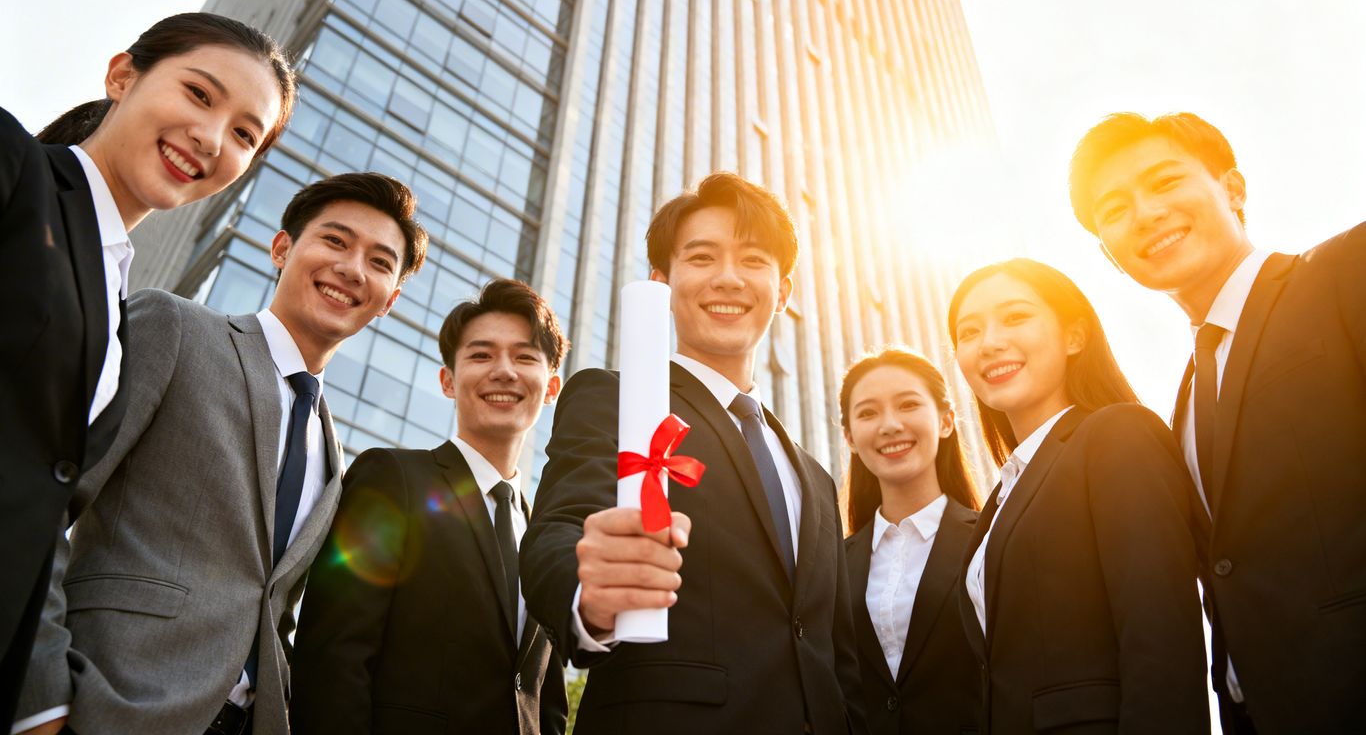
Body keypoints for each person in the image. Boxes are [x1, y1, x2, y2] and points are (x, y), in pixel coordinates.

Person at [13, 173, 427, 735]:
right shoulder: (175, 328)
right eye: (335, 241)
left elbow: (269, 605)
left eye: (380, 263)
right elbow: (37, 501)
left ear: (390, 301)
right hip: (107, 703)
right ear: (282, 247)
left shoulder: (332, 451)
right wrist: (41, 698)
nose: (354, 269)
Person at [0, 11, 297, 729]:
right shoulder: (13, 167)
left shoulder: (121, 306)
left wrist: (39, 707)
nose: (211, 138)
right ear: (122, 75)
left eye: (243, 135)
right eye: (199, 94)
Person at [520, 172, 864, 733]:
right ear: (661, 283)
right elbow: (559, 530)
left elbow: (838, 654)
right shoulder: (614, 398)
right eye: (702, 258)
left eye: (753, 261)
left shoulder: (817, 479)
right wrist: (592, 592)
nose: (728, 279)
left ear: (783, 291)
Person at [1068, 112, 1366, 733]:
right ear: (1110, 257)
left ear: (1233, 190)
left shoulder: (1344, 273)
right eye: (1115, 210)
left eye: (1165, 182)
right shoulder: (1181, 400)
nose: (1146, 214)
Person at [290, 278, 569, 735]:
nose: (504, 371)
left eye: (524, 356)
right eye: (481, 355)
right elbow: (333, 652)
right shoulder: (392, 479)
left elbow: (545, 698)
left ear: (552, 386)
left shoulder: (545, 533)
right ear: (447, 381)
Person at [948, 258, 1207, 734]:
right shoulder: (1005, 493)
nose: (989, 343)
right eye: (969, 332)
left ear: (1074, 336)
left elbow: (1161, 642)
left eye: (1015, 317)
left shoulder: (1117, 434)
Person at [839, 347, 981, 735]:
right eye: (868, 413)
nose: (889, 425)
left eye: (908, 405)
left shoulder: (992, 539)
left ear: (946, 421)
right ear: (850, 437)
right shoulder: (834, 563)